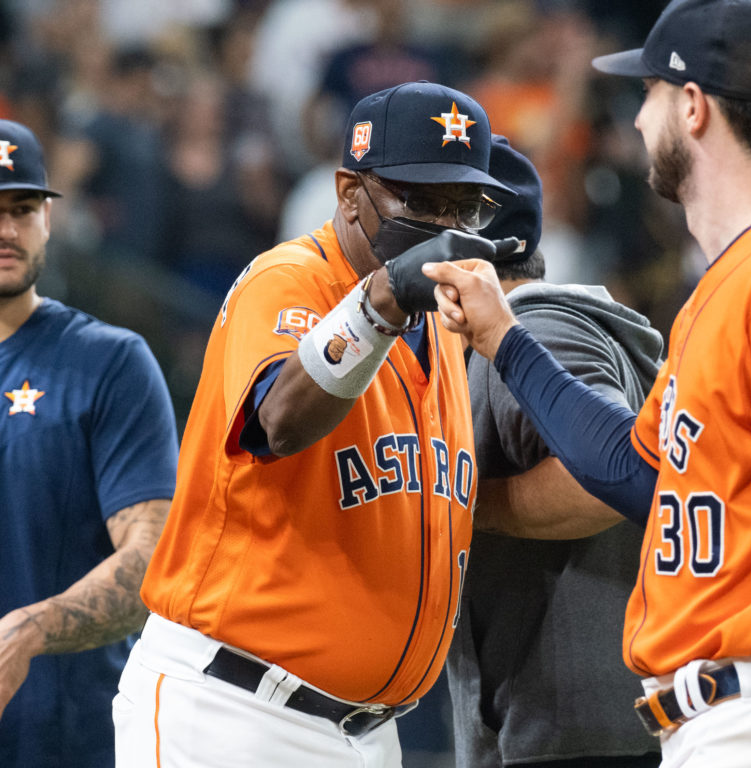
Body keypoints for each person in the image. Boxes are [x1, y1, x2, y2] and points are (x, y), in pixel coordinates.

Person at [423, 1, 751, 766]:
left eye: (647, 94)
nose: (639, 118)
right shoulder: (723, 289)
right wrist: (503, 340)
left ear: (692, 106)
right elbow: (632, 472)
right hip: (716, 717)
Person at [111, 81, 518, 768]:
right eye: (420, 201)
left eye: (463, 207)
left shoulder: (444, 330)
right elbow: (280, 420)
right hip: (229, 712)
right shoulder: (288, 280)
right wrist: (380, 304)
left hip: (369, 734)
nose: (444, 227)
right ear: (348, 191)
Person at [445, 136, 663, 768]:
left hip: (582, 728)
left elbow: (609, 476)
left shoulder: (538, 324)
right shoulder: (492, 338)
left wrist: (470, 505)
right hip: (569, 723)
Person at [0, 118, 178, 766]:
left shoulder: (109, 362)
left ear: (48, 219)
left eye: (21, 209)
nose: (5, 230)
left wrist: (31, 629)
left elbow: (153, 561)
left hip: (72, 740)